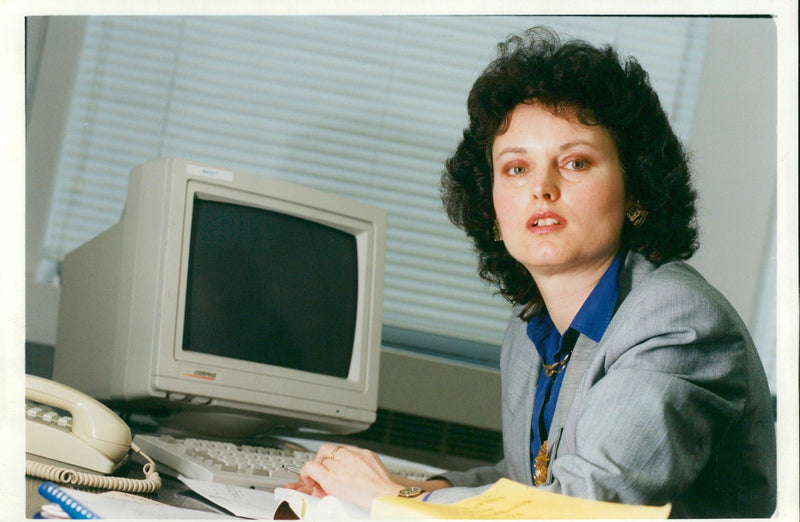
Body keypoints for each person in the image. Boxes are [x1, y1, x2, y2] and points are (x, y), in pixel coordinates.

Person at [286, 27, 777, 518]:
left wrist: (388, 497)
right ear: (491, 206)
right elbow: (527, 480)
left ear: (636, 191)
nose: (542, 188)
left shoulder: (677, 321)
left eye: (576, 162)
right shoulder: (529, 332)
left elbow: (583, 506)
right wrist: (406, 484)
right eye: (516, 168)